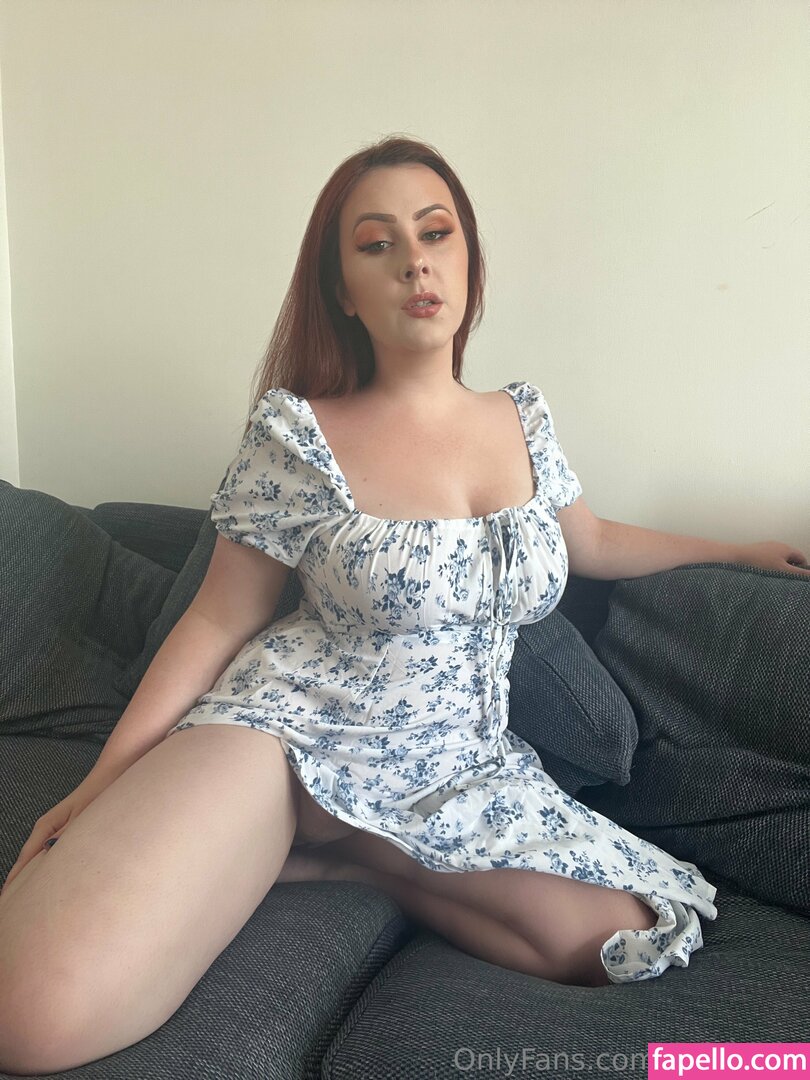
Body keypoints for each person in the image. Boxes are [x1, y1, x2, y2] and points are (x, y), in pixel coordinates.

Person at [0, 135, 807, 1073]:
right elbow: (217, 618)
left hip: (453, 763)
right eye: (376, 243)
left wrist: (738, 549)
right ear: (342, 290)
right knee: (35, 1019)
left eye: (435, 233)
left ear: (468, 261)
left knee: (615, 936)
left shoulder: (522, 418)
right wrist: (100, 784)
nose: (414, 261)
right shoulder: (297, 433)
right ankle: (302, 823)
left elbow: (590, 541)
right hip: (284, 733)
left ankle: (348, 850)